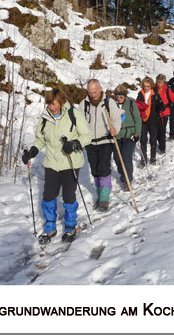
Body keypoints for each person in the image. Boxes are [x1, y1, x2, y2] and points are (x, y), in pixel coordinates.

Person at [22, 88, 92, 244]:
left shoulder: (74, 114)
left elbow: (87, 136)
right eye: (49, 104)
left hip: (70, 162)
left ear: (61, 102)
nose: (51, 107)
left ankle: (70, 226)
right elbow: (40, 139)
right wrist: (33, 151)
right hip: (52, 163)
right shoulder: (44, 118)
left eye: (54, 103)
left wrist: (74, 144)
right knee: (48, 196)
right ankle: (50, 226)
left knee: (68, 196)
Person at [82, 79, 122, 211]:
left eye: (94, 91)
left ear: (100, 89)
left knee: (103, 167)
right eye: (90, 92)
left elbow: (117, 119)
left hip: (105, 140)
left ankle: (104, 198)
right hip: (90, 142)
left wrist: (115, 128)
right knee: (95, 169)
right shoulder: (84, 104)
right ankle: (99, 196)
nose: (92, 94)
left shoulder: (109, 103)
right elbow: (79, 122)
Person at [112, 84, 142, 191]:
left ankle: (127, 180)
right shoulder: (112, 105)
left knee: (126, 157)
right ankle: (122, 173)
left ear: (125, 96)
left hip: (130, 135)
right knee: (117, 157)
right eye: (117, 97)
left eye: (121, 97)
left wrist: (137, 133)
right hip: (117, 135)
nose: (119, 99)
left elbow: (137, 119)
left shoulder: (130, 103)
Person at [136, 77, 162, 166]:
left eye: (147, 86)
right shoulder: (140, 94)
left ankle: (153, 157)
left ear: (151, 86)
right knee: (143, 139)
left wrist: (161, 105)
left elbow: (160, 106)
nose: (146, 88)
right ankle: (143, 158)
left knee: (153, 139)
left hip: (153, 119)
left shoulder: (155, 94)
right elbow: (137, 106)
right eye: (144, 86)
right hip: (143, 120)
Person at [155, 74, 174, 154]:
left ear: (163, 82)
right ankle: (160, 144)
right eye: (158, 82)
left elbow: (173, 98)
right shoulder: (153, 89)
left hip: (164, 112)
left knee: (162, 130)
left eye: (161, 82)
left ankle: (162, 148)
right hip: (155, 112)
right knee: (156, 130)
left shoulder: (167, 89)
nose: (159, 84)